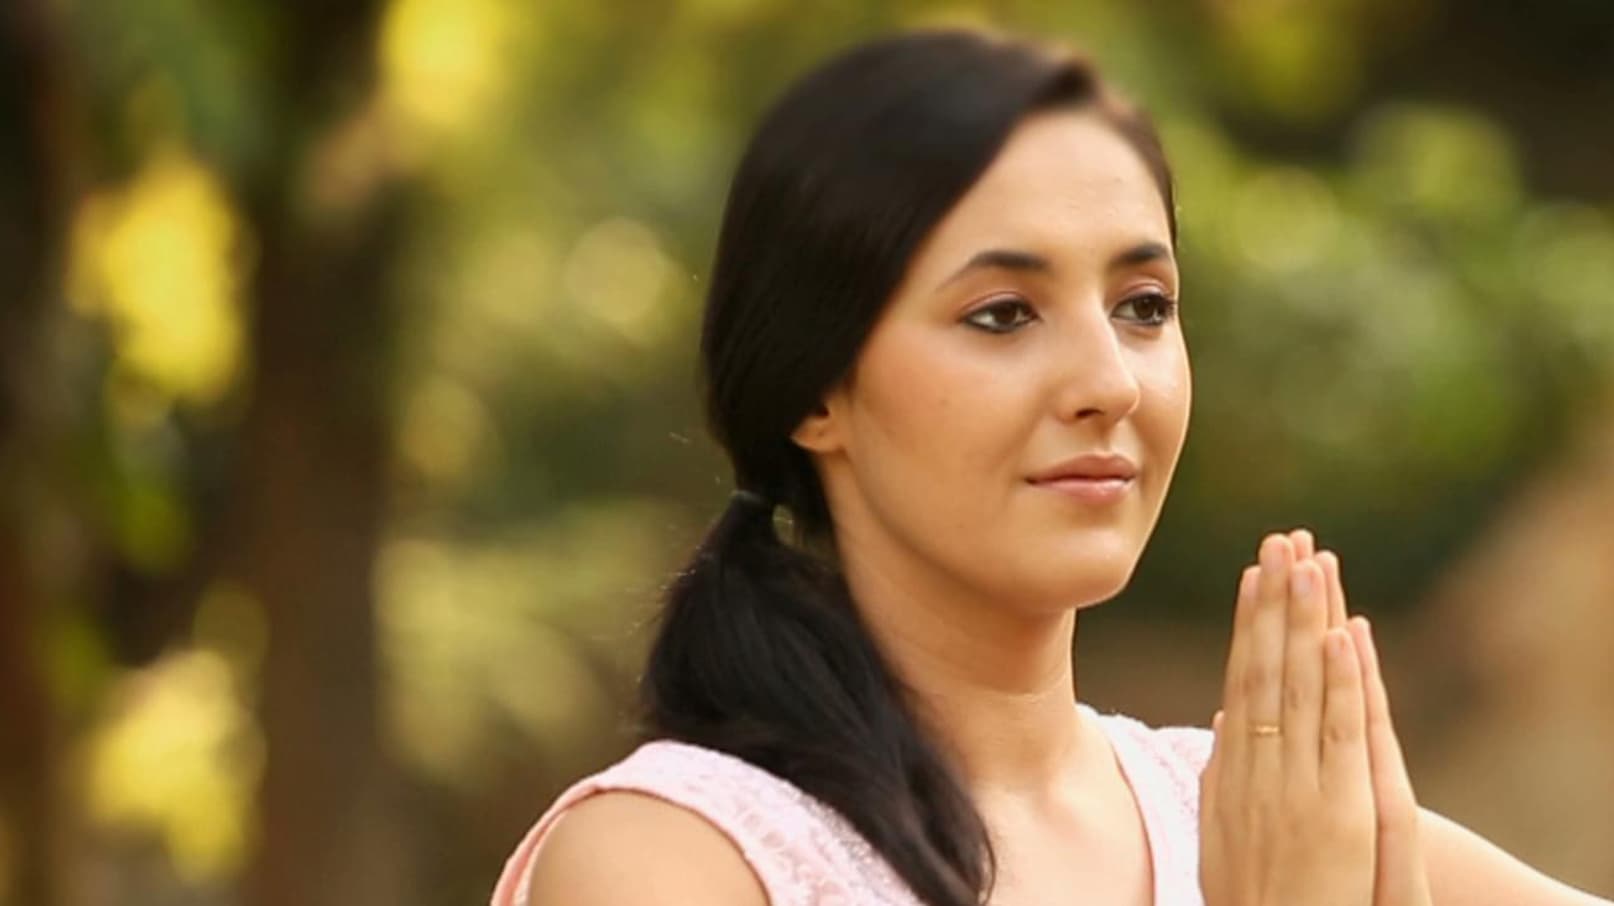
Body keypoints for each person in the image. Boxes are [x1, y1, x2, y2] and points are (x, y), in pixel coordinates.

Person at [492, 28, 1610, 906]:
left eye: (1144, 306)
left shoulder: (1275, 818)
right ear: (815, 392)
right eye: (1002, 314)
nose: (1109, 382)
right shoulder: (670, 857)